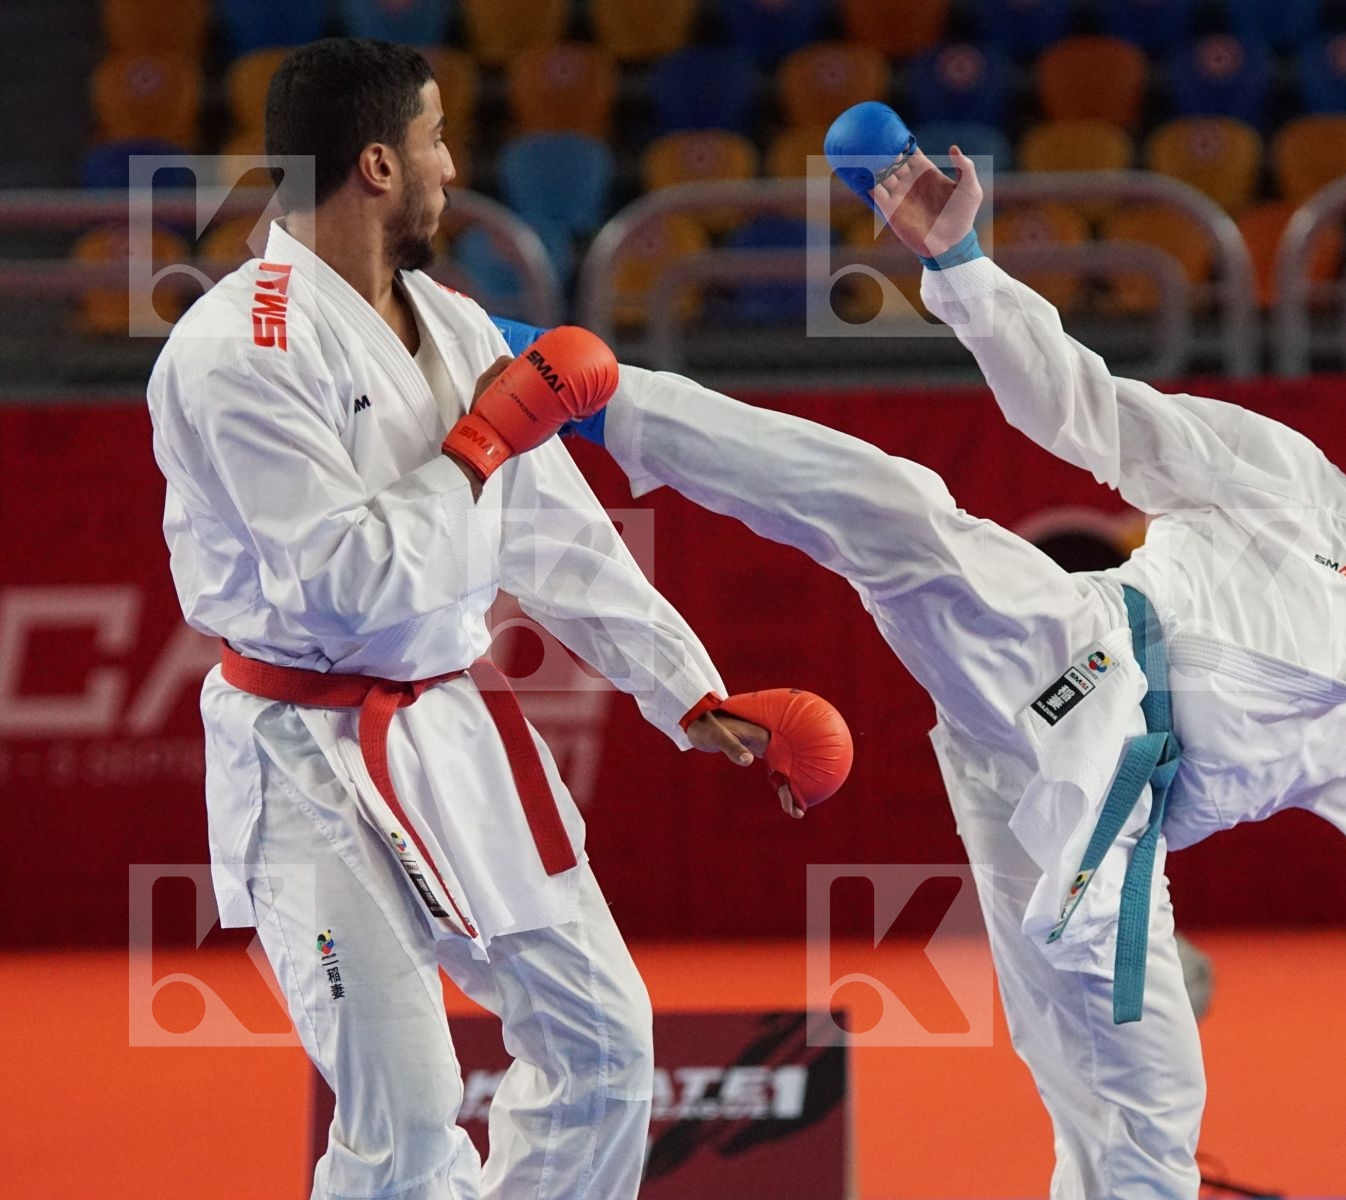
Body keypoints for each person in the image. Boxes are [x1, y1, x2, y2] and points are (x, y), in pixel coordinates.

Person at [529, 106, 1346, 1197]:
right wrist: (961, 264)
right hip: (1081, 658)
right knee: (899, 513)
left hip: (1099, 835)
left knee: (1148, 1122)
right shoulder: (1284, 475)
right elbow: (1083, 406)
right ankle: (582, 386)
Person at [146, 39, 822, 1200]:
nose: (452, 168)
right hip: (304, 756)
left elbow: (554, 533)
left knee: (604, 1048)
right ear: (377, 166)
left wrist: (686, 689)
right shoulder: (237, 352)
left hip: (451, 731)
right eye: (435, 140)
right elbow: (342, 583)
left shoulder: (453, 325)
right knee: (405, 1123)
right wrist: (475, 449)